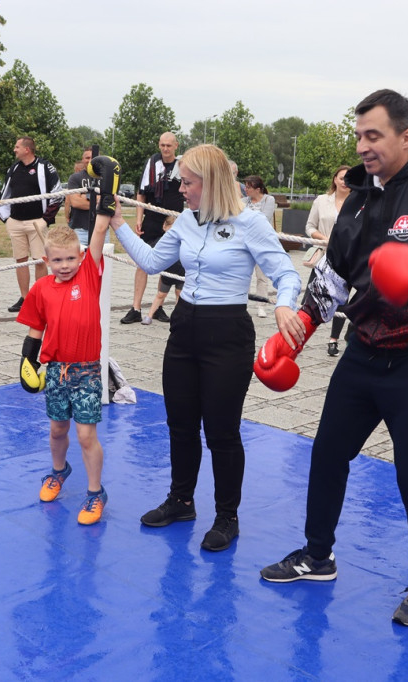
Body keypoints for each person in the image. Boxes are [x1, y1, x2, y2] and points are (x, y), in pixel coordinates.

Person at [257, 89, 408, 627]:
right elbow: (333, 278)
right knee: (328, 452)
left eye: (374, 135)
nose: (363, 146)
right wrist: (299, 331)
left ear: (407, 135)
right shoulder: (358, 199)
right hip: (365, 351)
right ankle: (318, 556)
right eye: (359, 135)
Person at [112, 144, 303, 552]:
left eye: (187, 181)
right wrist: (118, 224)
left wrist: (285, 304)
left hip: (227, 332)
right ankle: (181, 501)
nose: (180, 188)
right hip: (185, 327)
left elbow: (287, 274)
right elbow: (150, 262)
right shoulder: (185, 221)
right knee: (179, 424)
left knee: (221, 432)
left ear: (210, 182)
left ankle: (226, 516)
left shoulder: (250, 223)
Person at [15, 155, 119, 525]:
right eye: (57, 260)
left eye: (70, 258)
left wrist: (106, 188)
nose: (64, 265)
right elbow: (35, 328)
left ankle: (95, 492)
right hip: (56, 370)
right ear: (46, 260)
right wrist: (28, 359)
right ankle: (59, 471)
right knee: (57, 429)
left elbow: (101, 229)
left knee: (87, 435)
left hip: (88, 370)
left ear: (79, 256)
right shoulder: (41, 289)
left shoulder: (89, 273)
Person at [121, 132, 184, 324]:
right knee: (142, 261)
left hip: (174, 220)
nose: (165, 149)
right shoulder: (151, 164)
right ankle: (136, 308)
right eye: (162, 145)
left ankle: (159, 308)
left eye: (169, 145)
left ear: (176, 146)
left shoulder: (183, 165)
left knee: (171, 263)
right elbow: (141, 194)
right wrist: (139, 218)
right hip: (152, 217)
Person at [0, 136, 62, 313]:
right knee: (20, 261)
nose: (14, 150)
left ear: (27, 149)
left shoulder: (45, 167)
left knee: (40, 260)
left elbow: (58, 194)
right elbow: (5, 194)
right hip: (16, 222)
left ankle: (41, 297)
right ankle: (25, 298)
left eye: (17, 146)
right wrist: (6, 218)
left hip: (37, 222)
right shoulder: (14, 168)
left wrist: (45, 219)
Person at [305, 165, 352, 356]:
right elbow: (309, 226)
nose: (344, 181)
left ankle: (334, 340)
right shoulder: (321, 201)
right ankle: (301, 333)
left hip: (347, 257)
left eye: (348, 179)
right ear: (334, 179)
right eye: (341, 178)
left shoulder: (358, 202)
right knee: (310, 294)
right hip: (324, 255)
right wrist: (325, 239)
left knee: (343, 299)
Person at [243, 175, 277, 318]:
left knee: (262, 276)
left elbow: (264, 218)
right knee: (244, 274)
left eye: (248, 187)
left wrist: (247, 221)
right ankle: (241, 303)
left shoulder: (269, 200)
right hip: (245, 242)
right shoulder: (243, 201)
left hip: (262, 243)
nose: (245, 190)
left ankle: (261, 305)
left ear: (258, 189)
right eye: (245, 186)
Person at [141, 215, 183, 325]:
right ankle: (149, 315)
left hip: (181, 273)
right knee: (160, 294)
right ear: (164, 227)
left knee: (179, 294)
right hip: (167, 274)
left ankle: (177, 316)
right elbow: (152, 252)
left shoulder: (182, 241)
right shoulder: (161, 241)